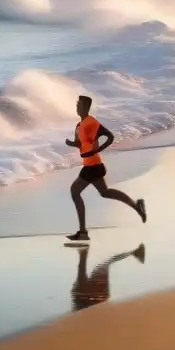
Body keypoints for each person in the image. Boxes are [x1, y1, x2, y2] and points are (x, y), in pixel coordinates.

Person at [64, 94, 146, 241]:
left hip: (93, 165)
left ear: (87, 108)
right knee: (105, 192)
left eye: (80, 105)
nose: (77, 107)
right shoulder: (79, 125)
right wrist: (72, 143)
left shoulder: (92, 122)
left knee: (75, 191)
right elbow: (80, 143)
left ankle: (83, 232)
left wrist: (98, 150)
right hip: (90, 164)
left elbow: (110, 136)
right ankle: (136, 206)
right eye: (77, 104)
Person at [68, 243, 146, 312]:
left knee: (106, 263)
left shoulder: (80, 293)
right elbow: (81, 268)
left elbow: (81, 268)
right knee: (106, 263)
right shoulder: (79, 294)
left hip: (97, 296)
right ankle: (134, 253)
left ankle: (134, 253)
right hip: (97, 296)